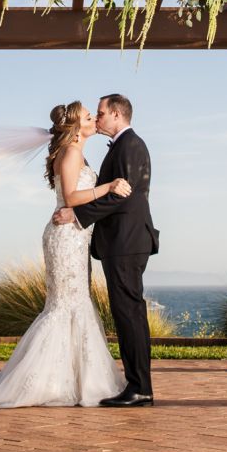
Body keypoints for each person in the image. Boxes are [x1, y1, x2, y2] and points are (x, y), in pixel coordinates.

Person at [0, 101, 129, 408]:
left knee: (74, 303)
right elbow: (70, 197)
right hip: (66, 238)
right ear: (75, 127)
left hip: (75, 237)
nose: (94, 119)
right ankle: (49, 382)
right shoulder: (71, 152)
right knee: (64, 305)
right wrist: (107, 187)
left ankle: (72, 380)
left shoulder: (74, 152)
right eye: (87, 116)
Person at [52, 94, 159, 407]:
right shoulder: (123, 146)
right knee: (127, 314)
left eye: (99, 114)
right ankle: (137, 385)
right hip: (121, 243)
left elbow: (122, 196)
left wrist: (77, 214)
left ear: (115, 114)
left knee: (130, 314)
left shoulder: (131, 145)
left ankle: (139, 388)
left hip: (126, 243)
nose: (96, 119)